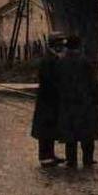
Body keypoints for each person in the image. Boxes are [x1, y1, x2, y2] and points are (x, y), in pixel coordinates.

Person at [56, 35, 98, 168]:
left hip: (68, 103)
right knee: (87, 133)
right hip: (85, 102)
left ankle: (71, 160)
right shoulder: (85, 62)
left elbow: (58, 83)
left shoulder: (62, 62)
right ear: (79, 46)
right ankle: (88, 159)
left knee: (70, 134)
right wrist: (97, 99)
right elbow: (93, 83)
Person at [31, 33, 66, 167]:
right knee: (45, 128)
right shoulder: (49, 60)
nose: (62, 47)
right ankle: (45, 157)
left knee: (49, 127)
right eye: (60, 45)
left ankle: (50, 155)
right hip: (47, 100)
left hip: (49, 100)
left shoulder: (51, 58)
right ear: (55, 45)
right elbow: (49, 81)